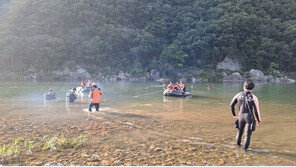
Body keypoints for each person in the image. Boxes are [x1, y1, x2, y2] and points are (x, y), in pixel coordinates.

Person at [230, 81, 262, 151]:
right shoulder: (254, 97)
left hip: (240, 116)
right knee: (247, 135)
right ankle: (245, 151)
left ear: (244, 87)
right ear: (252, 88)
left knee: (239, 133)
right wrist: (259, 120)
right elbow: (256, 110)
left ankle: (237, 148)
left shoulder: (238, 95)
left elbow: (231, 105)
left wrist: (234, 115)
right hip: (249, 117)